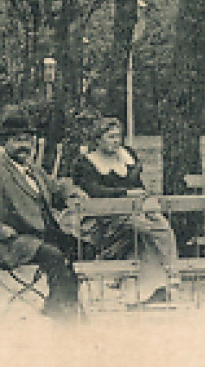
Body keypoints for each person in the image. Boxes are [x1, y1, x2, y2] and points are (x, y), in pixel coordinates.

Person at [0, 110, 85, 319]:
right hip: (13, 241)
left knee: (85, 250)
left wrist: (72, 192)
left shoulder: (33, 169)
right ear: (4, 142)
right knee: (55, 257)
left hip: (44, 235)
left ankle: (58, 305)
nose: (24, 146)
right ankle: (64, 317)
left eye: (28, 140)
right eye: (17, 140)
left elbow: (57, 188)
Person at [70, 116, 181, 303]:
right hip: (103, 218)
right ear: (98, 140)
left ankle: (162, 283)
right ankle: (160, 282)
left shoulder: (127, 156)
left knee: (159, 224)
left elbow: (139, 185)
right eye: (110, 137)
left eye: (118, 136)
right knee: (145, 229)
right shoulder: (87, 163)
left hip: (133, 213)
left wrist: (144, 199)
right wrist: (127, 193)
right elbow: (95, 191)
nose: (116, 141)